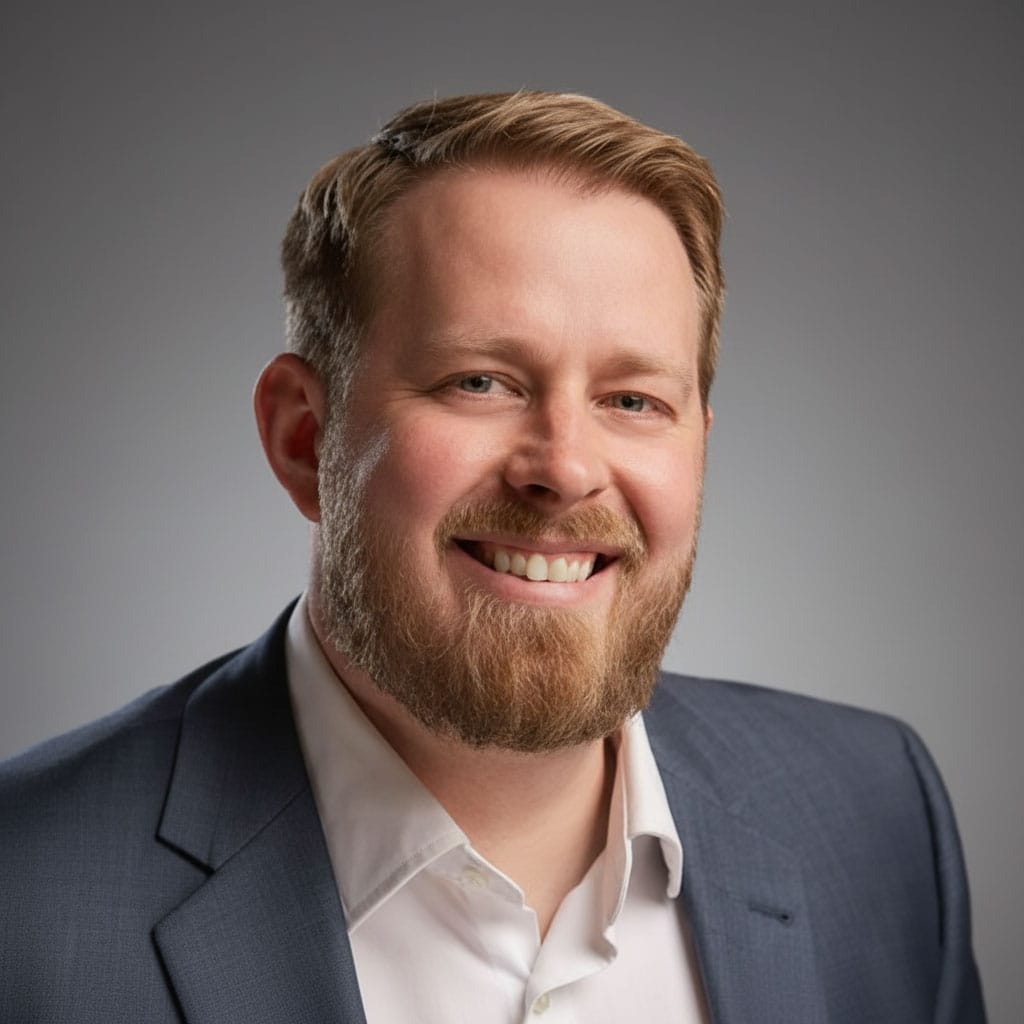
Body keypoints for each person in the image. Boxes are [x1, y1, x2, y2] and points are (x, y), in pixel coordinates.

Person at [0, 91, 985, 1023]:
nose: (563, 468)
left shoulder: (873, 814)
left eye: (633, 399)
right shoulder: (28, 897)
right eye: (479, 380)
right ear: (305, 436)